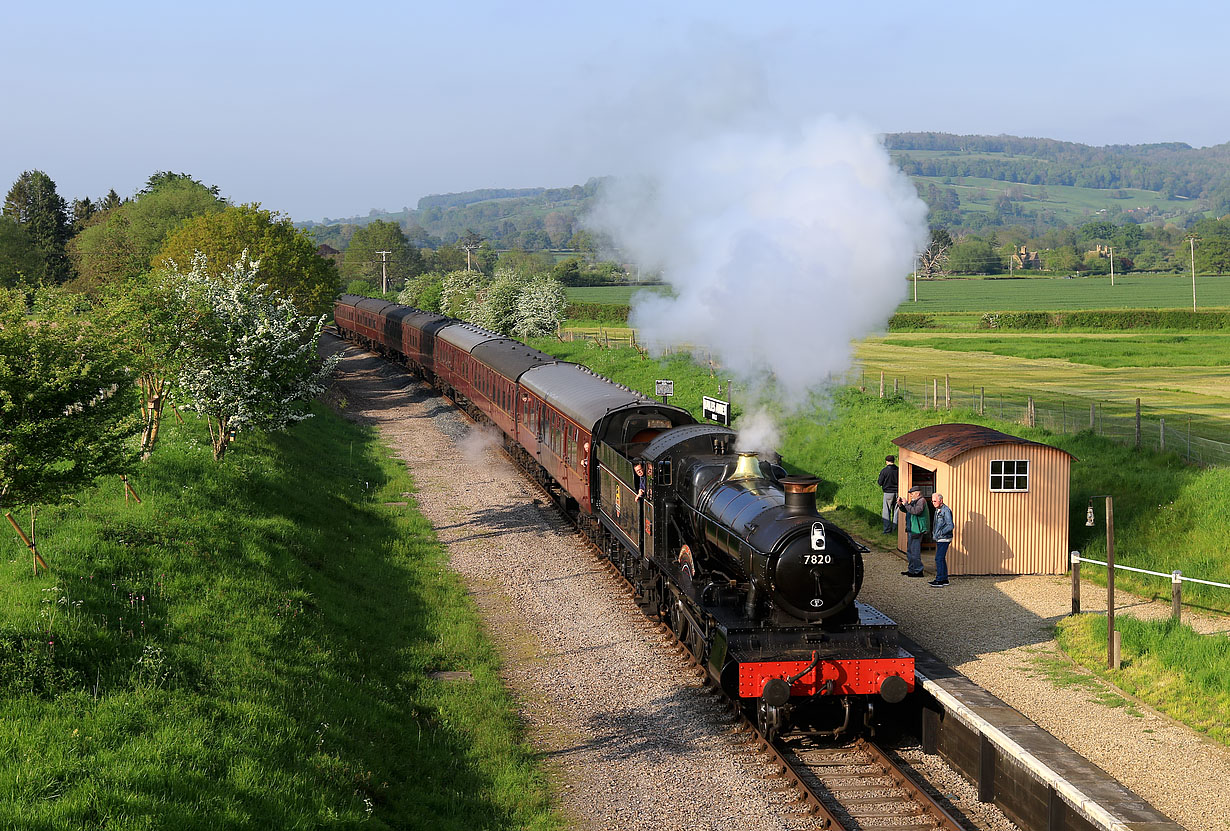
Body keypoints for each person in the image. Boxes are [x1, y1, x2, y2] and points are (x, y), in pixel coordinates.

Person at [897, 485, 928, 577]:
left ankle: (918, 571)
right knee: (910, 551)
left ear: (918, 493)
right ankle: (912, 570)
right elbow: (908, 510)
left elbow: (916, 511)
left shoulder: (921, 501)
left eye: (912, 493)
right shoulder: (915, 501)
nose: (910, 495)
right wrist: (900, 505)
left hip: (917, 529)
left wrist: (906, 504)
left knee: (915, 552)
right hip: (912, 529)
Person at [929, 493, 954, 587]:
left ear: (941, 500)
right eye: (932, 501)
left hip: (944, 538)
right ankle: (944, 579)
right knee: (941, 558)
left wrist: (940, 533)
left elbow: (950, 525)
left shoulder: (945, 510)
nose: (933, 503)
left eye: (935, 501)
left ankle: (939, 580)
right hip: (940, 538)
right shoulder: (938, 510)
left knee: (938, 558)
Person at [876, 455, 899, 534]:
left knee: (886, 511)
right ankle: (895, 529)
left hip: (888, 493)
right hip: (897, 492)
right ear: (894, 461)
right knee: (896, 511)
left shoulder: (884, 471)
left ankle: (887, 530)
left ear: (886, 461)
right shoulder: (898, 470)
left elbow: (880, 482)